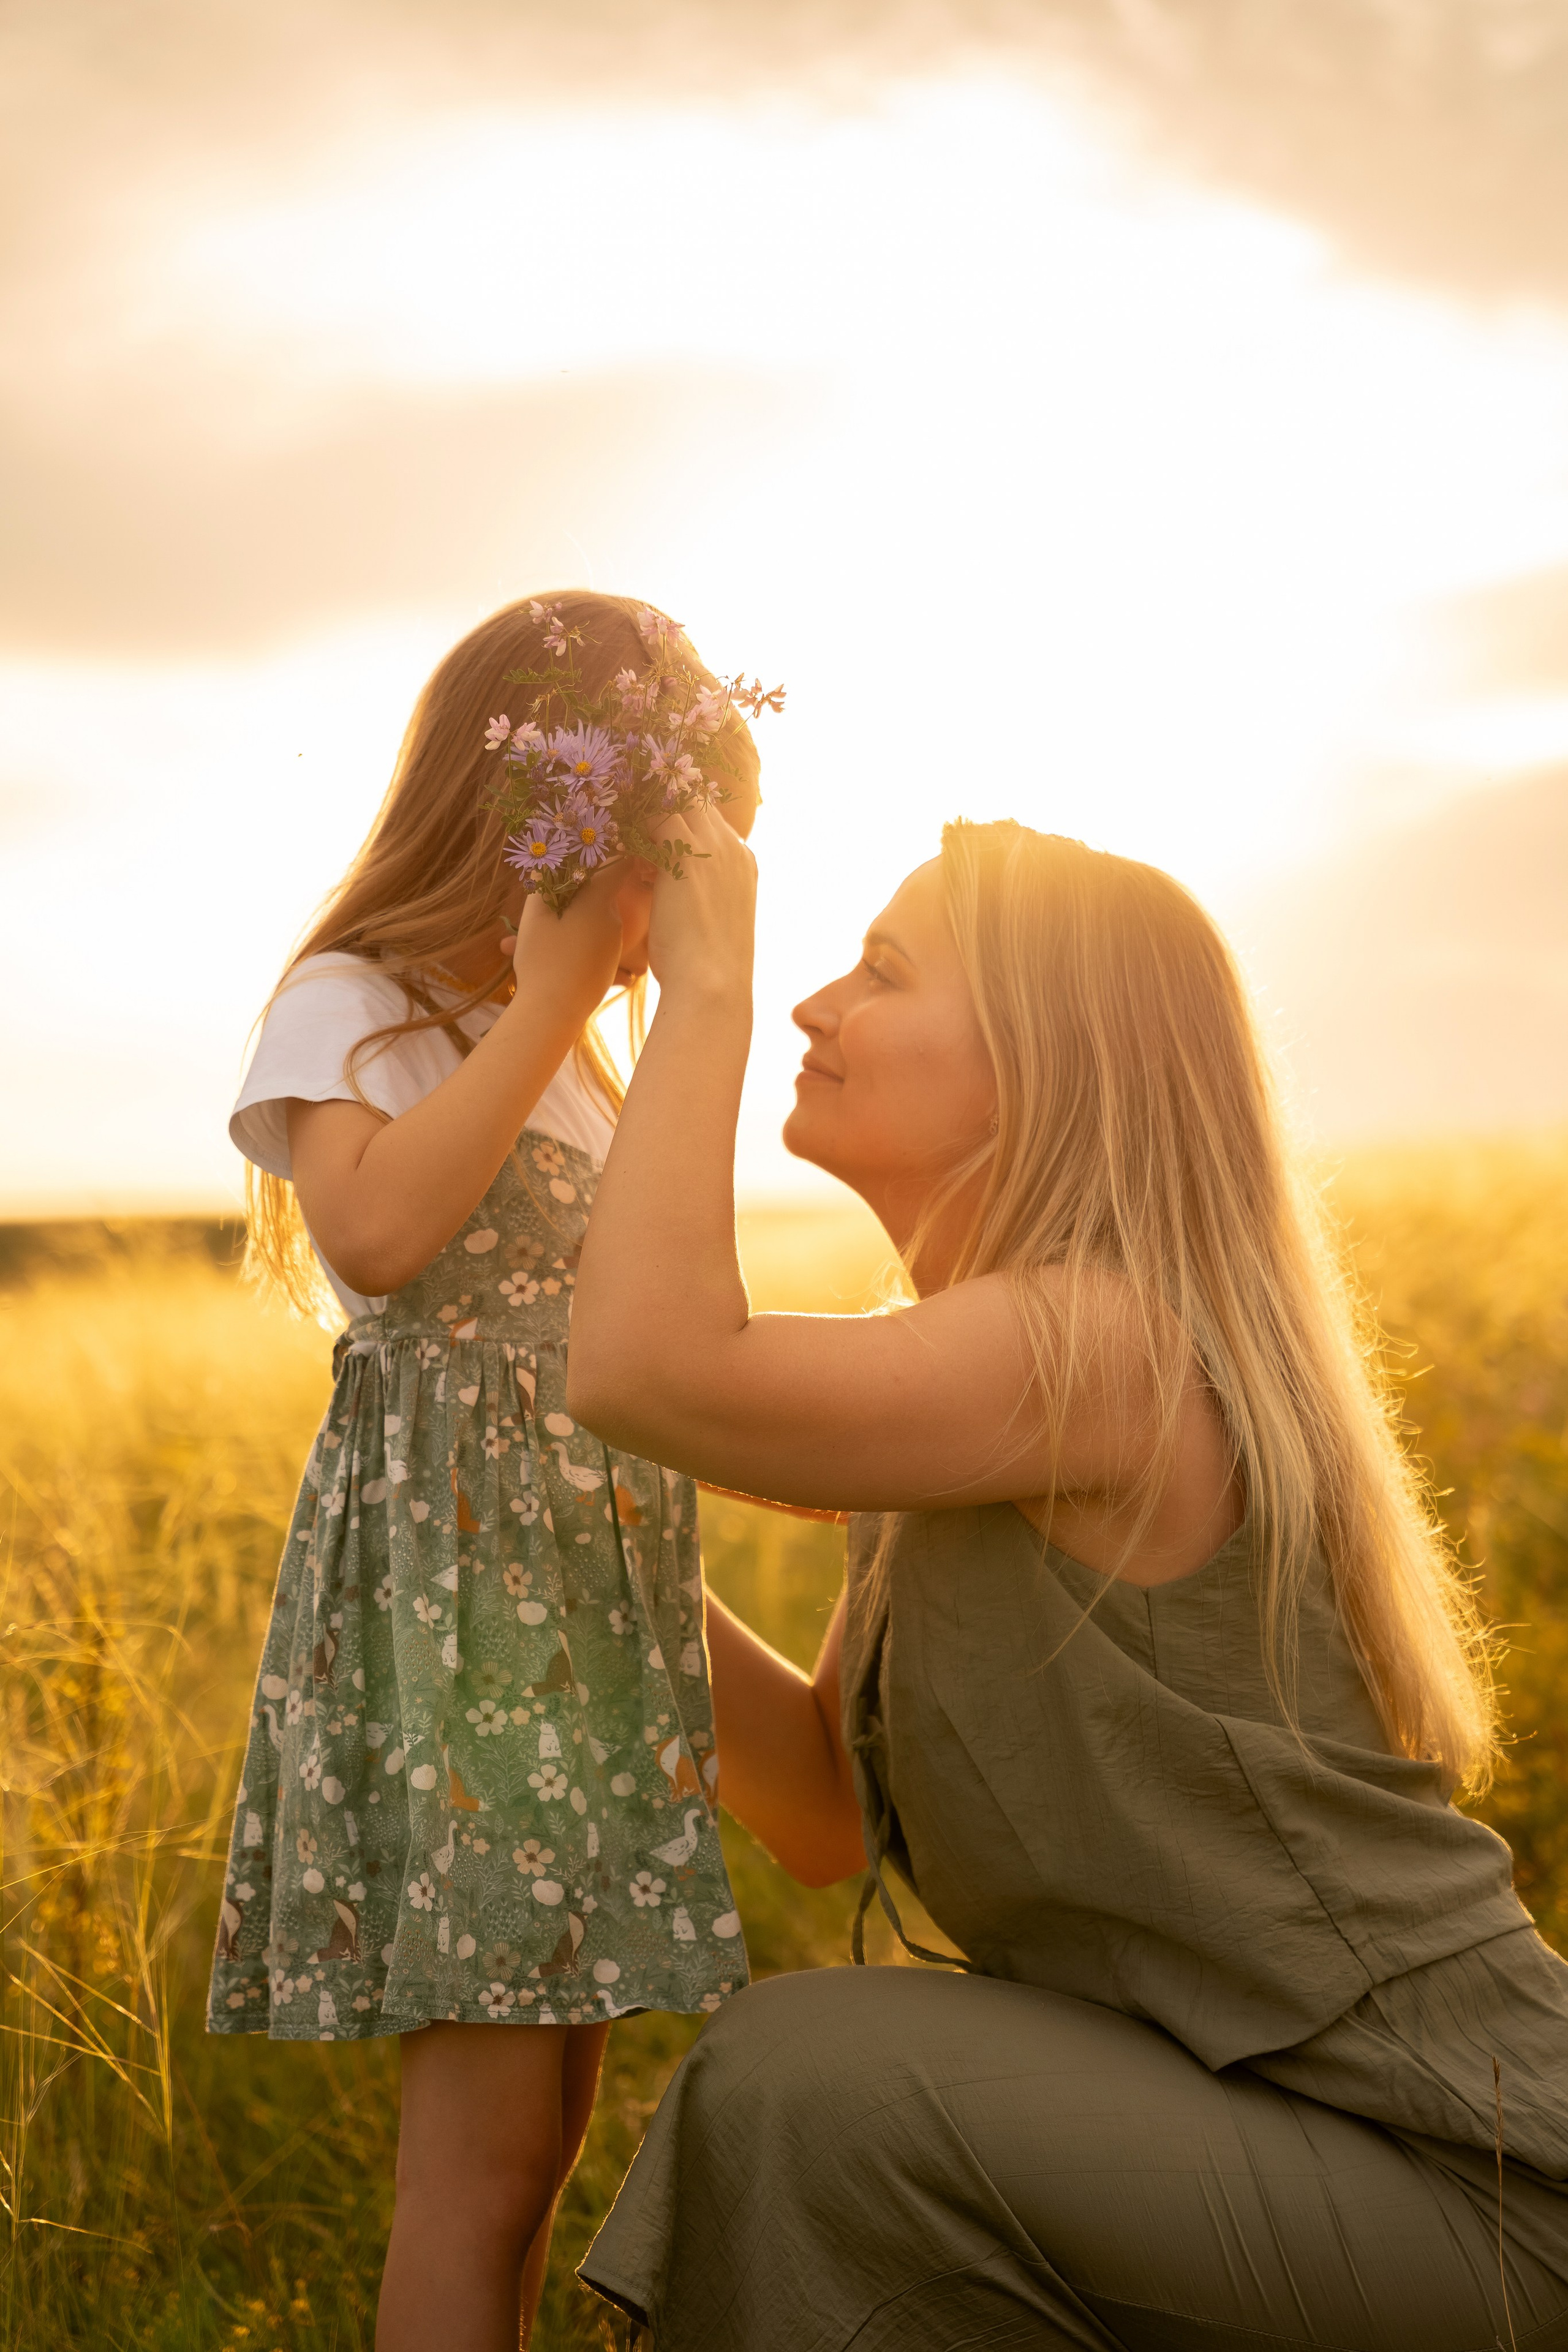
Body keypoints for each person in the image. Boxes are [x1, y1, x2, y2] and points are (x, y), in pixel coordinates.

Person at [568, 810, 1568, 2350]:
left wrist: (698, 990)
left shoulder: (1101, 1343)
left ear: (1048, 1062)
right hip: (1277, 2146)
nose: (816, 1006)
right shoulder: (986, 1391)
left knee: (808, 2085)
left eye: (882, 972)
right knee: (823, 2085)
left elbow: (648, 1369)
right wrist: (571, 1547)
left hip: (1465, 2174)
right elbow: (826, 1808)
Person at [206, 593, 755, 2352]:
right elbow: (371, 1226)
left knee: (540, 2141)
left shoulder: (578, 1048)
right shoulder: (357, 1002)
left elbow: (652, 1301)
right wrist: (546, 998)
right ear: (553, 838)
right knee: (483, 2159)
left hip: (574, 1619)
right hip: (470, 1620)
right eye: (664, 857)